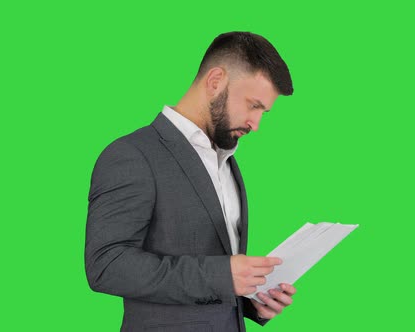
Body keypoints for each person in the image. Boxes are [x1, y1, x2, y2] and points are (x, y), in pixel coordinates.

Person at [85, 31, 296, 331]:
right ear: (215, 82)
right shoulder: (131, 155)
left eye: (264, 112)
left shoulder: (226, 160)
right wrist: (221, 276)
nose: (256, 124)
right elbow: (106, 265)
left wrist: (250, 299)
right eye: (253, 105)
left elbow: (214, 278)